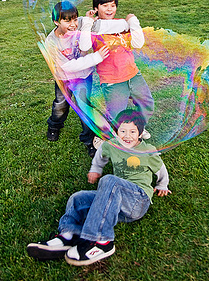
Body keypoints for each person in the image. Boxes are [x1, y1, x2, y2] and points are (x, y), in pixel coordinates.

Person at [27, 109, 171, 266]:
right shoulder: (113, 145)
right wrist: (96, 169)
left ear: (141, 134)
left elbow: (160, 168)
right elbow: (101, 154)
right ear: (116, 132)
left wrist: (162, 184)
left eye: (132, 132)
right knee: (78, 198)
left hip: (137, 200)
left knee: (110, 181)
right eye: (122, 131)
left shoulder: (147, 150)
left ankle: (101, 241)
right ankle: (69, 234)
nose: (127, 136)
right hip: (115, 203)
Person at [81, 0, 154, 138]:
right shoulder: (94, 28)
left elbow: (138, 43)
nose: (109, 9)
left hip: (133, 74)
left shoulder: (121, 25)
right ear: (96, 8)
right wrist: (87, 24)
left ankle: (137, 129)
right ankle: (108, 139)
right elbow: (84, 47)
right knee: (117, 116)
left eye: (112, 5)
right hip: (112, 80)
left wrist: (133, 21)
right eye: (104, 5)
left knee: (147, 104)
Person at [45, 1, 110, 157]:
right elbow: (67, 66)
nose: (73, 24)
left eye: (74, 19)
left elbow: (87, 24)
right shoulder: (51, 42)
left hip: (83, 77)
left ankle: (89, 140)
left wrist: (88, 18)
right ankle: (54, 125)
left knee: (84, 107)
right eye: (67, 20)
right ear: (56, 21)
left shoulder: (79, 22)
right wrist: (96, 57)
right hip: (64, 78)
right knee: (60, 105)